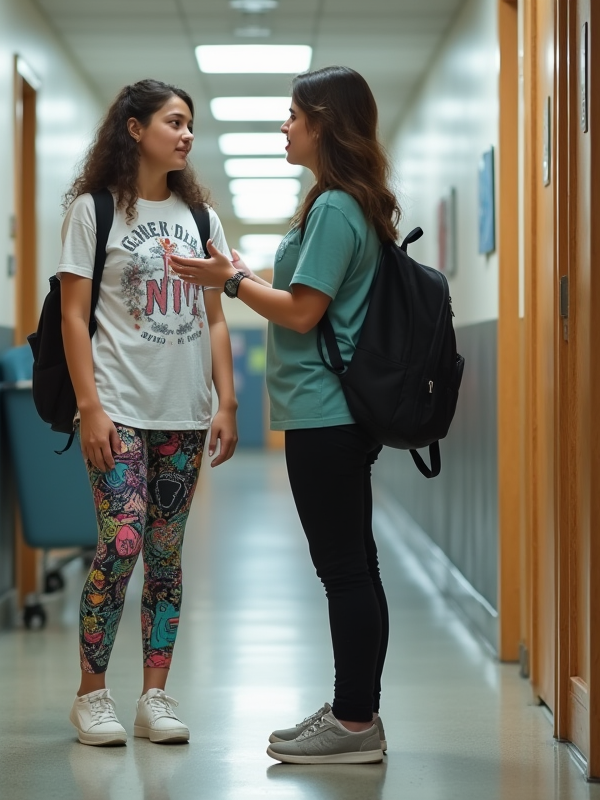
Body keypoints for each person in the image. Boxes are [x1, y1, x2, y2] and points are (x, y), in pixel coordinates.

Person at [169, 65, 399, 765]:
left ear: (325, 122)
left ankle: (355, 722)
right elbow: (308, 299)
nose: (285, 126)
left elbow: (303, 312)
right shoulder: (339, 201)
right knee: (357, 564)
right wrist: (244, 275)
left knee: (345, 571)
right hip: (332, 412)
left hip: (324, 414)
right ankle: (356, 709)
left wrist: (231, 282)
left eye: (294, 115)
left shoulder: (334, 208)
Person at [59, 79, 239, 747]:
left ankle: (154, 697)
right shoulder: (95, 211)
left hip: (184, 412)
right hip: (118, 407)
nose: (187, 134)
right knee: (123, 542)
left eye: (190, 124)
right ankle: (92, 694)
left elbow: (216, 318)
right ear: (134, 129)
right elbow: (74, 318)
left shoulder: (202, 222)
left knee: (166, 554)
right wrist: (90, 406)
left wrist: (227, 399)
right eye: (174, 121)